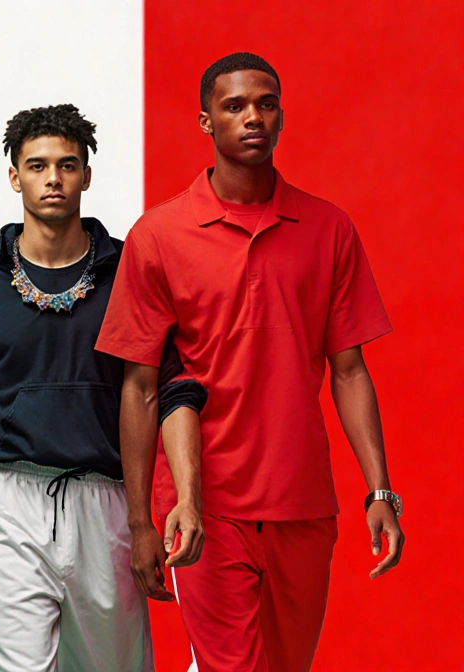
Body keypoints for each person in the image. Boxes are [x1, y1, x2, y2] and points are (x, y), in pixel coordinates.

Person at [96, 52, 405, 672]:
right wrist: (140, 522)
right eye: (234, 105)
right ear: (206, 121)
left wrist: (381, 491)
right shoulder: (159, 236)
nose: (252, 116)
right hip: (204, 505)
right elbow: (140, 387)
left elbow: (349, 370)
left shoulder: (329, 228)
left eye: (266, 104)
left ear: (282, 117)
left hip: (304, 502)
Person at [0, 105, 206, 672]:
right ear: (14, 175)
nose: (53, 178)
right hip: (7, 498)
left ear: (87, 174)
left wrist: (180, 502)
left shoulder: (131, 272)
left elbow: (172, 392)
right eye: (38, 165)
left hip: (108, 500)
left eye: (67, 165)